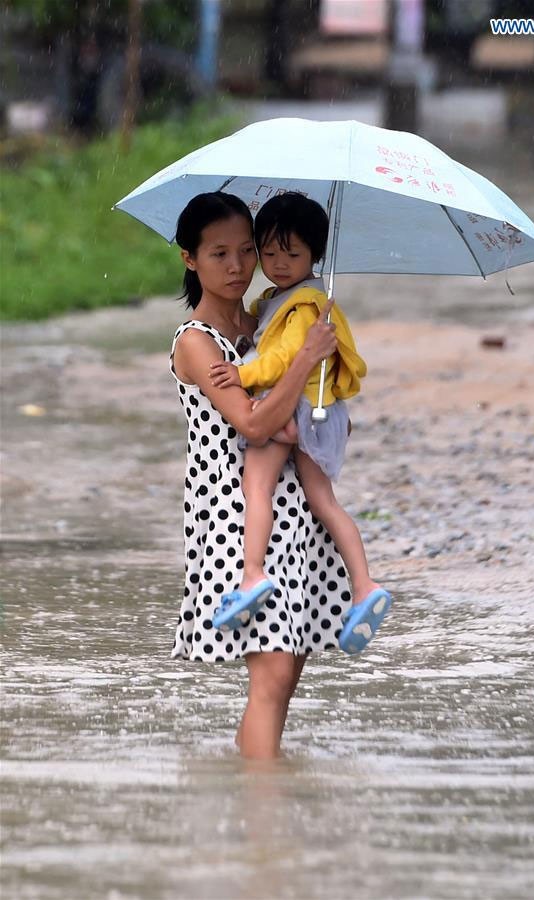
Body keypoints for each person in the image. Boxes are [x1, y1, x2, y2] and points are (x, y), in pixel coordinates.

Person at [169, 191, 343, 760]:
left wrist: (320, 366)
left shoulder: (271, 319)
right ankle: (265, 835)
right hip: (236, 512)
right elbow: (256, 420)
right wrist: (304, 361)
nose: (239, 266)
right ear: (189, 259)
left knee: (285, 678)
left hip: (295, 509)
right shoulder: (197, 344)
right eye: (219, 253)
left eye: (248, 250)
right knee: (269, 678)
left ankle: (256, 798)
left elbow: (308, 407)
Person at [209, 192, 392, 655]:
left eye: (292, 254)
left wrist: (241, 374)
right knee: (323, 501)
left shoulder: (306, 306)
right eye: (268, 253)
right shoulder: (278, 299)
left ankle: (252, 575)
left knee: (257, 487)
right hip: (315, 410)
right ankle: (364, 586)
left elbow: (283, 356)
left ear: (315, 254)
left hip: (293, 408)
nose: (278, 263)